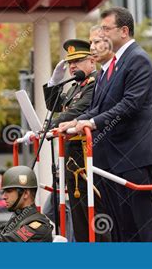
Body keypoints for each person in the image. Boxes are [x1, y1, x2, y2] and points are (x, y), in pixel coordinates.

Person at [59, 7, 152, 242]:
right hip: (112, 158)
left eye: (107, 29)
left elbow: (130, 105)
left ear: (124, 31)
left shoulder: (138, 60)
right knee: (120, 227)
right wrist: (75, 122)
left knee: (142, 224)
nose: (102, 35)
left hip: (135, 155)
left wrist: (91, 122)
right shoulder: (112, 66)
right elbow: (100, 106)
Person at [42, 38, 109, 242]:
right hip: (73, 162)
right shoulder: (75, 86)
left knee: (94, 217)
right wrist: (54, 83)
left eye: (78, 61)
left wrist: (47, 127)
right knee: (79, 220)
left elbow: (77, 112)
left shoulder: (95, 83)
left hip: (88, 159)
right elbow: (55, 106)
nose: (72, 66)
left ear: (92, 61)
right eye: (70, 62)